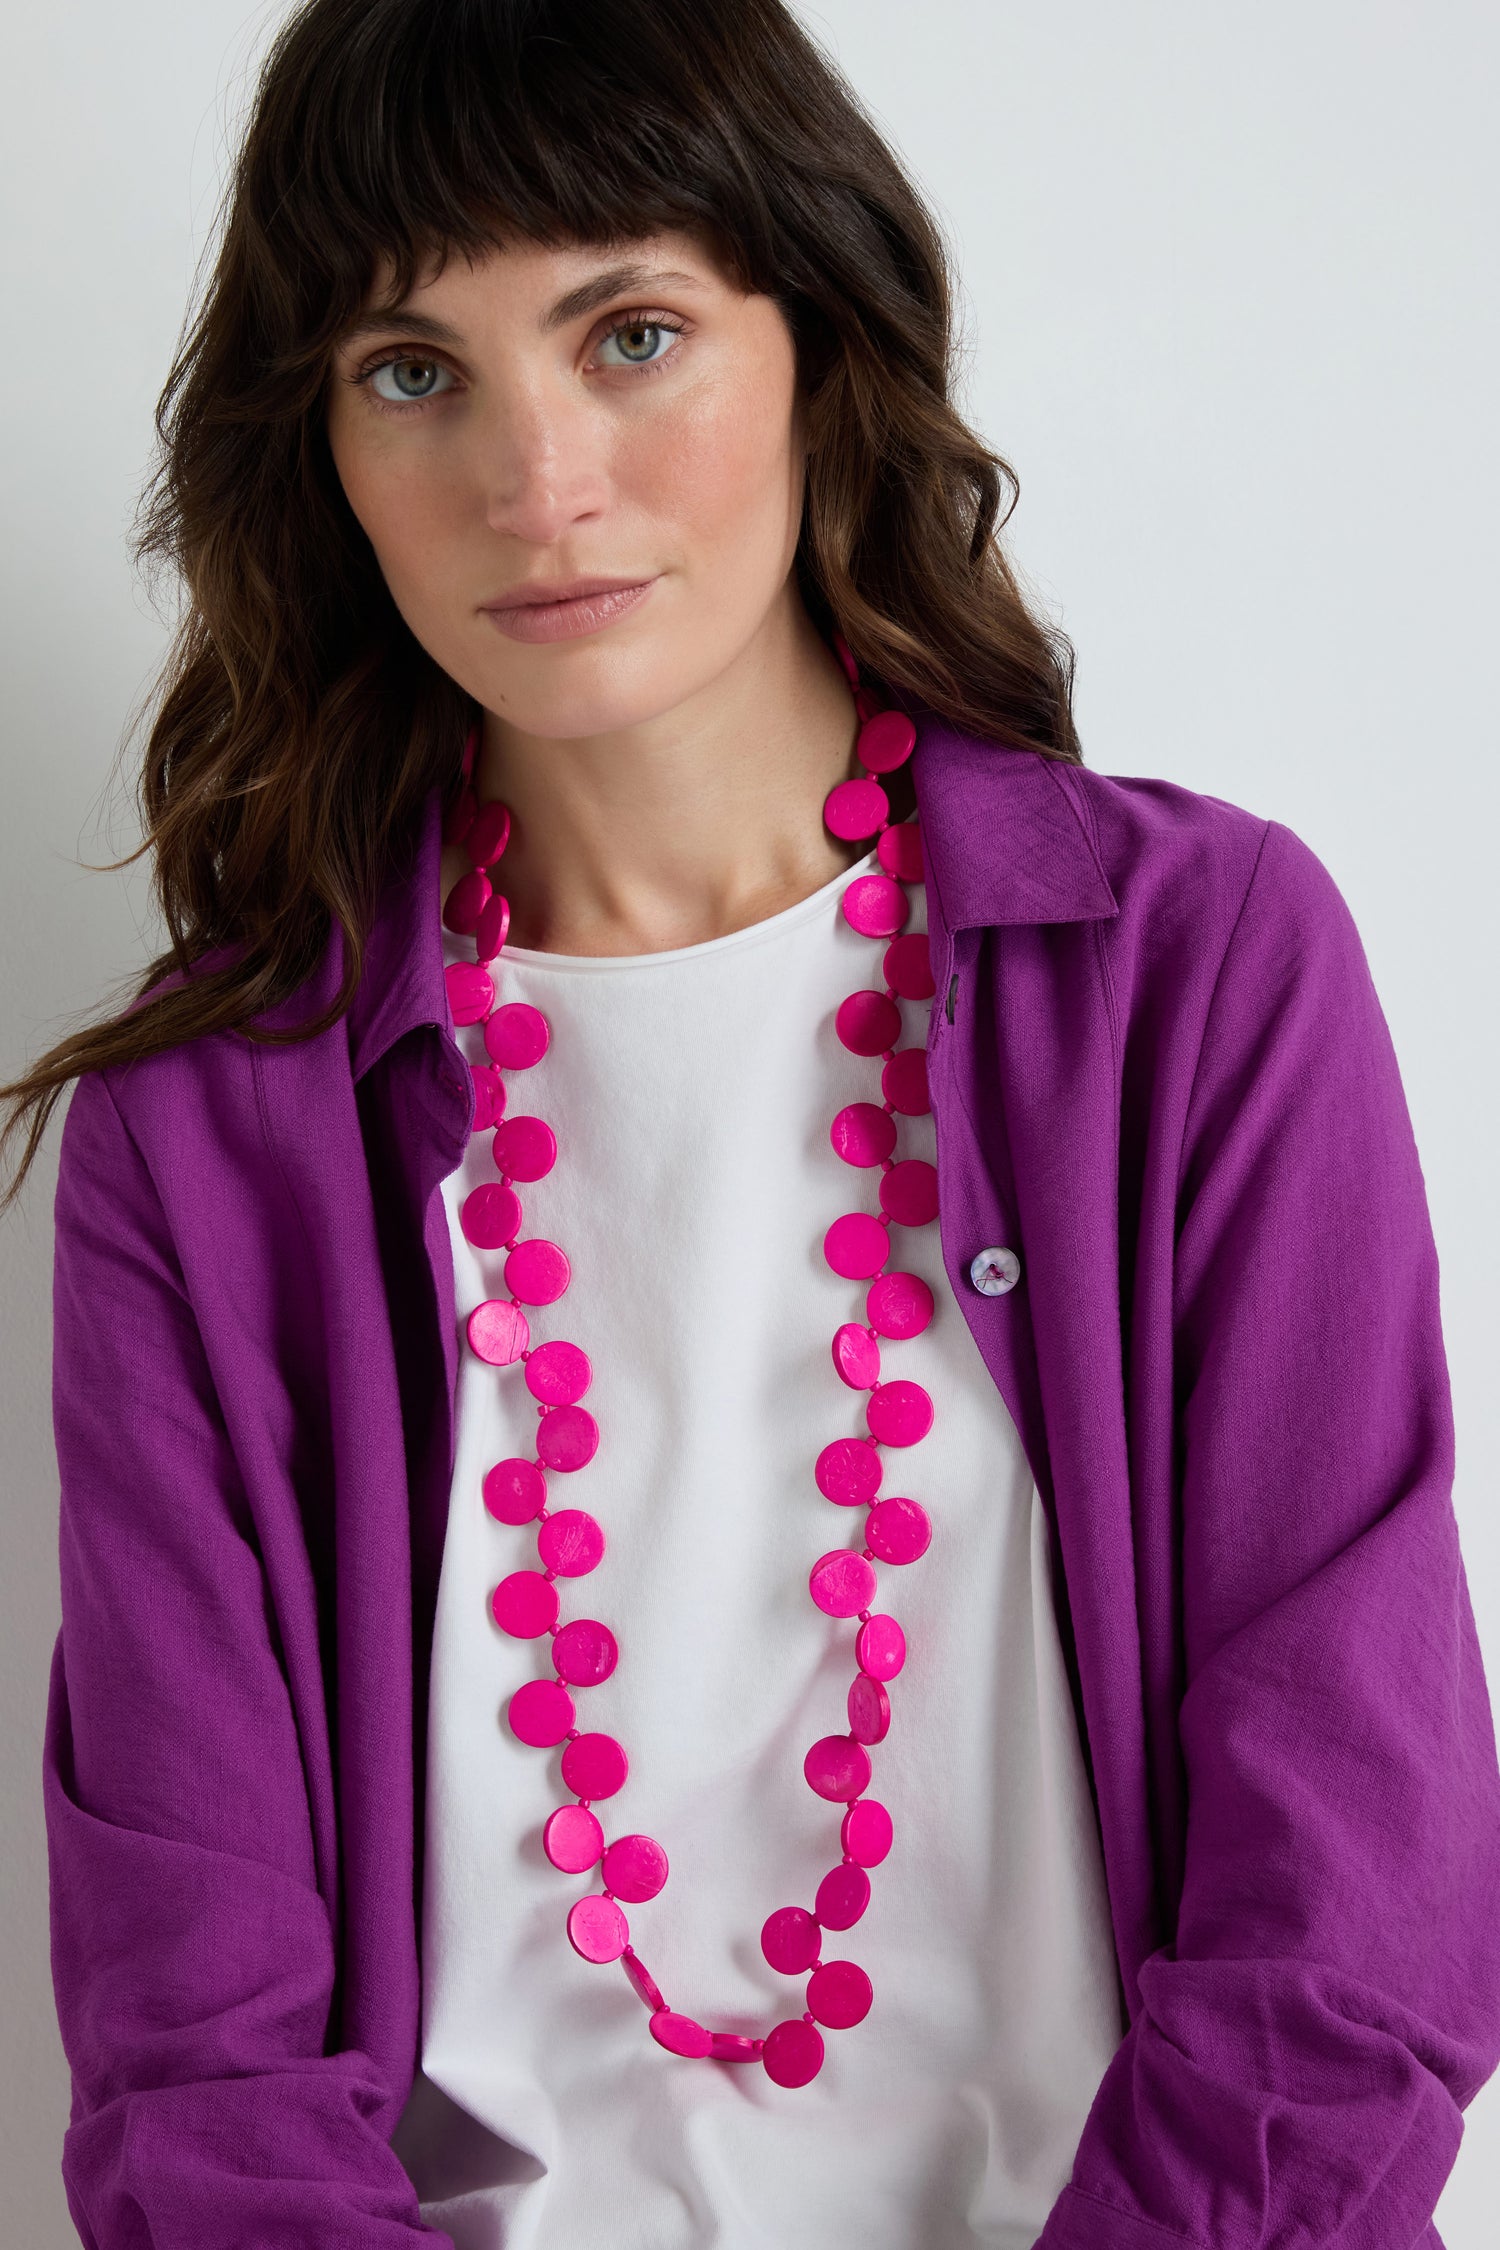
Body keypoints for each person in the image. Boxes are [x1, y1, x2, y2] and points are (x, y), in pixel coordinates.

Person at [6, 1, 1499, 2244]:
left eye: (629, 331)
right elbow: (190, 2058)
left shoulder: (1195, 973)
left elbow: (1355, 1925)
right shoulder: (210, 1133)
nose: (538, 478)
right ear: (315, 449)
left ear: (823, 338)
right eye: (413, 372)